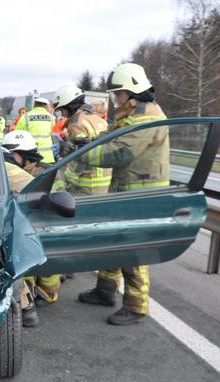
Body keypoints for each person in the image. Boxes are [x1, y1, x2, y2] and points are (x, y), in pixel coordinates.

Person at [75, 63, 170, 326]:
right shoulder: (131, 113)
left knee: (132, 250)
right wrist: (88, 142)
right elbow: (110, 136)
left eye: (119, 94)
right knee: (113, 240)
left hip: (141, 195)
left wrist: (83, 154)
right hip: (124, 189)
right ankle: (105, 291)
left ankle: (136, 307)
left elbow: (120, 152)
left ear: (133, 91)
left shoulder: (148, 118)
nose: (116, 99)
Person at [0, 130, 44, 327]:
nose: (31, 164)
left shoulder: (2, 166)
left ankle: (27, 306)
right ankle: (27, 307)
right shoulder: (10, 168)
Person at [52, 85, 110, 195]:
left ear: (69, 106)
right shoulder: (97, 118)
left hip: (88, 182)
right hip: (105, 179)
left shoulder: (76, 124)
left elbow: (79, 155)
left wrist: (68, 181)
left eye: (62, 110)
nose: (62, 114)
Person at [14, 97, 56, 163]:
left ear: (34, 105)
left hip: (31, 158)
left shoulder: (25, 117)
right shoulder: (52, 118)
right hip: (48, 157)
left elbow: (16, 135)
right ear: (46, 106)